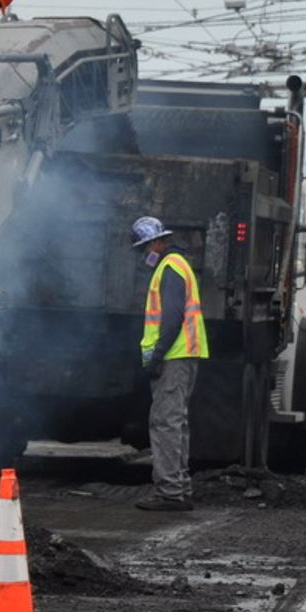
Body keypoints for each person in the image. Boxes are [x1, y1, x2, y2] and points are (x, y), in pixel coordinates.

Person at [130, 215, 207, 512]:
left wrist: (157, 355)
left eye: (143, 248)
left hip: (175, 355)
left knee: (165, 422)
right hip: (183, 354)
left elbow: (172, 318)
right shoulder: (176, 264)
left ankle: (170, 492)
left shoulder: (170, 267)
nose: (142, 255)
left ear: (156, 242)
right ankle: (180, 487)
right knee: (176, 421)